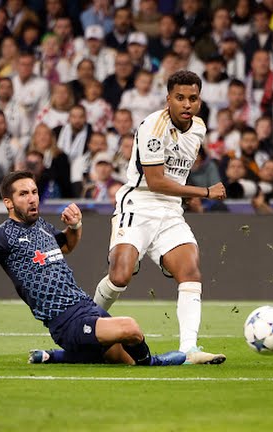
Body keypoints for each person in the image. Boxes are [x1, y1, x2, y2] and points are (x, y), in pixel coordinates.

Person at [0, 171, 186, 367]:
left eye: (34, 192)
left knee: (121, 359)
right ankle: (153, 362)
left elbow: (66, 246)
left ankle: (55, 357)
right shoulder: (3, 235)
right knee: (130, 328)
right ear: (8, 203)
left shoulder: (41, 225)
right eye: (23, 194)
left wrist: (75, 227)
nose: (32, 198)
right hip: (65, 322)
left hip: (87, 307)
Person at [93, 70, 228, 365]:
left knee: (190, 270)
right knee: (119, 277)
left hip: (170, 211)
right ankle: (86, 328)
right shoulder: (153, 125)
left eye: (193, 98)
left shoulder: (199, 129)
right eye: (180, 98)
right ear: (168, 99)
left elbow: (175, 175)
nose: (186, 104)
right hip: (138, 204)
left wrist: (185, 195)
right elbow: (155, 181)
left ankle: (189, 349)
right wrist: (204, 192)